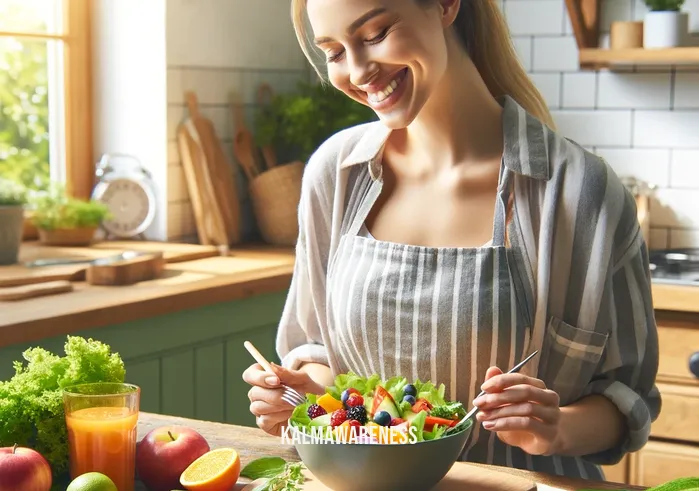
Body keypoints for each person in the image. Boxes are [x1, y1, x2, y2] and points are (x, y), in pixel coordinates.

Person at [242, 0, 661, 481]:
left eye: (376, 33)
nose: (358, 72)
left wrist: (555, 428)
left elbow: (625, 402)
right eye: (335, 51)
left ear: (445, 5)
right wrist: (302, 397)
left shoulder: (582, 194)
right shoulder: (335, 175)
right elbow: (319, 354)